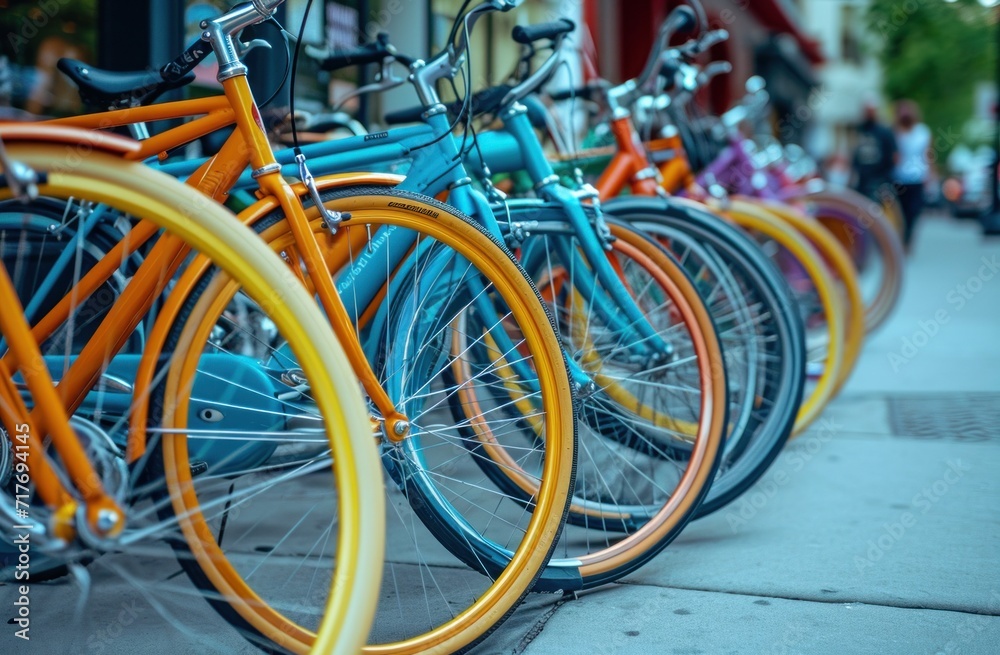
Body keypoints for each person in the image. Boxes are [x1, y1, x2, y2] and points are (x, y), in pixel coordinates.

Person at [892, 100, 932, 250]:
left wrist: (930, 175)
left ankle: (908, 237)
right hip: (899, 177)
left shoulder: (922, 132)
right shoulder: (896, 132)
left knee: (914, 211)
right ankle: (902, 237)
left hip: (917, 177)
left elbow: (927, 154)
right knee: (900, 212)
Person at [852, 100, 897, 203]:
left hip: (880, 180)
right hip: (862, 180)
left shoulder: (885, 132)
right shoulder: (860, 130)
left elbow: (894, 155)